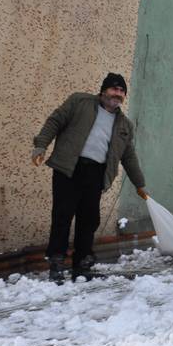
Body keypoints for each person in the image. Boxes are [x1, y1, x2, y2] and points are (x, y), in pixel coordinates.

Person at [32, 73, 148, 283]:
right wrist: (41, 145)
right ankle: (56, 263)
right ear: (103, 90)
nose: (118, 94)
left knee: (89, 220)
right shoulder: (80, 102)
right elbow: (55, 121)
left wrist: (139, 184)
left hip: (96, 173)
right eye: (114, 89)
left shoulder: (124, 125)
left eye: (121, 91)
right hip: (69, 168)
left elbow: (128, 156)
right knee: (62, 216)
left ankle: (82, 265)